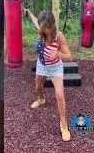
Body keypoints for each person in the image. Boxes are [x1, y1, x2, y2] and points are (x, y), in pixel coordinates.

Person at [24, 8, 72, 142]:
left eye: (49, 27)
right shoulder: (41, 29)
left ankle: (63, 124)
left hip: (56, 67)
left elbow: (69, 56)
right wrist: (29, 12)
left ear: (53, 24)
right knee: (38, 87)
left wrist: (58, 54)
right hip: (42, 65)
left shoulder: (59, 36)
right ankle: (41, 99)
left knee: (60, 95)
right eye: (44, 28)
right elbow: (35, 21)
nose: (47, 31)